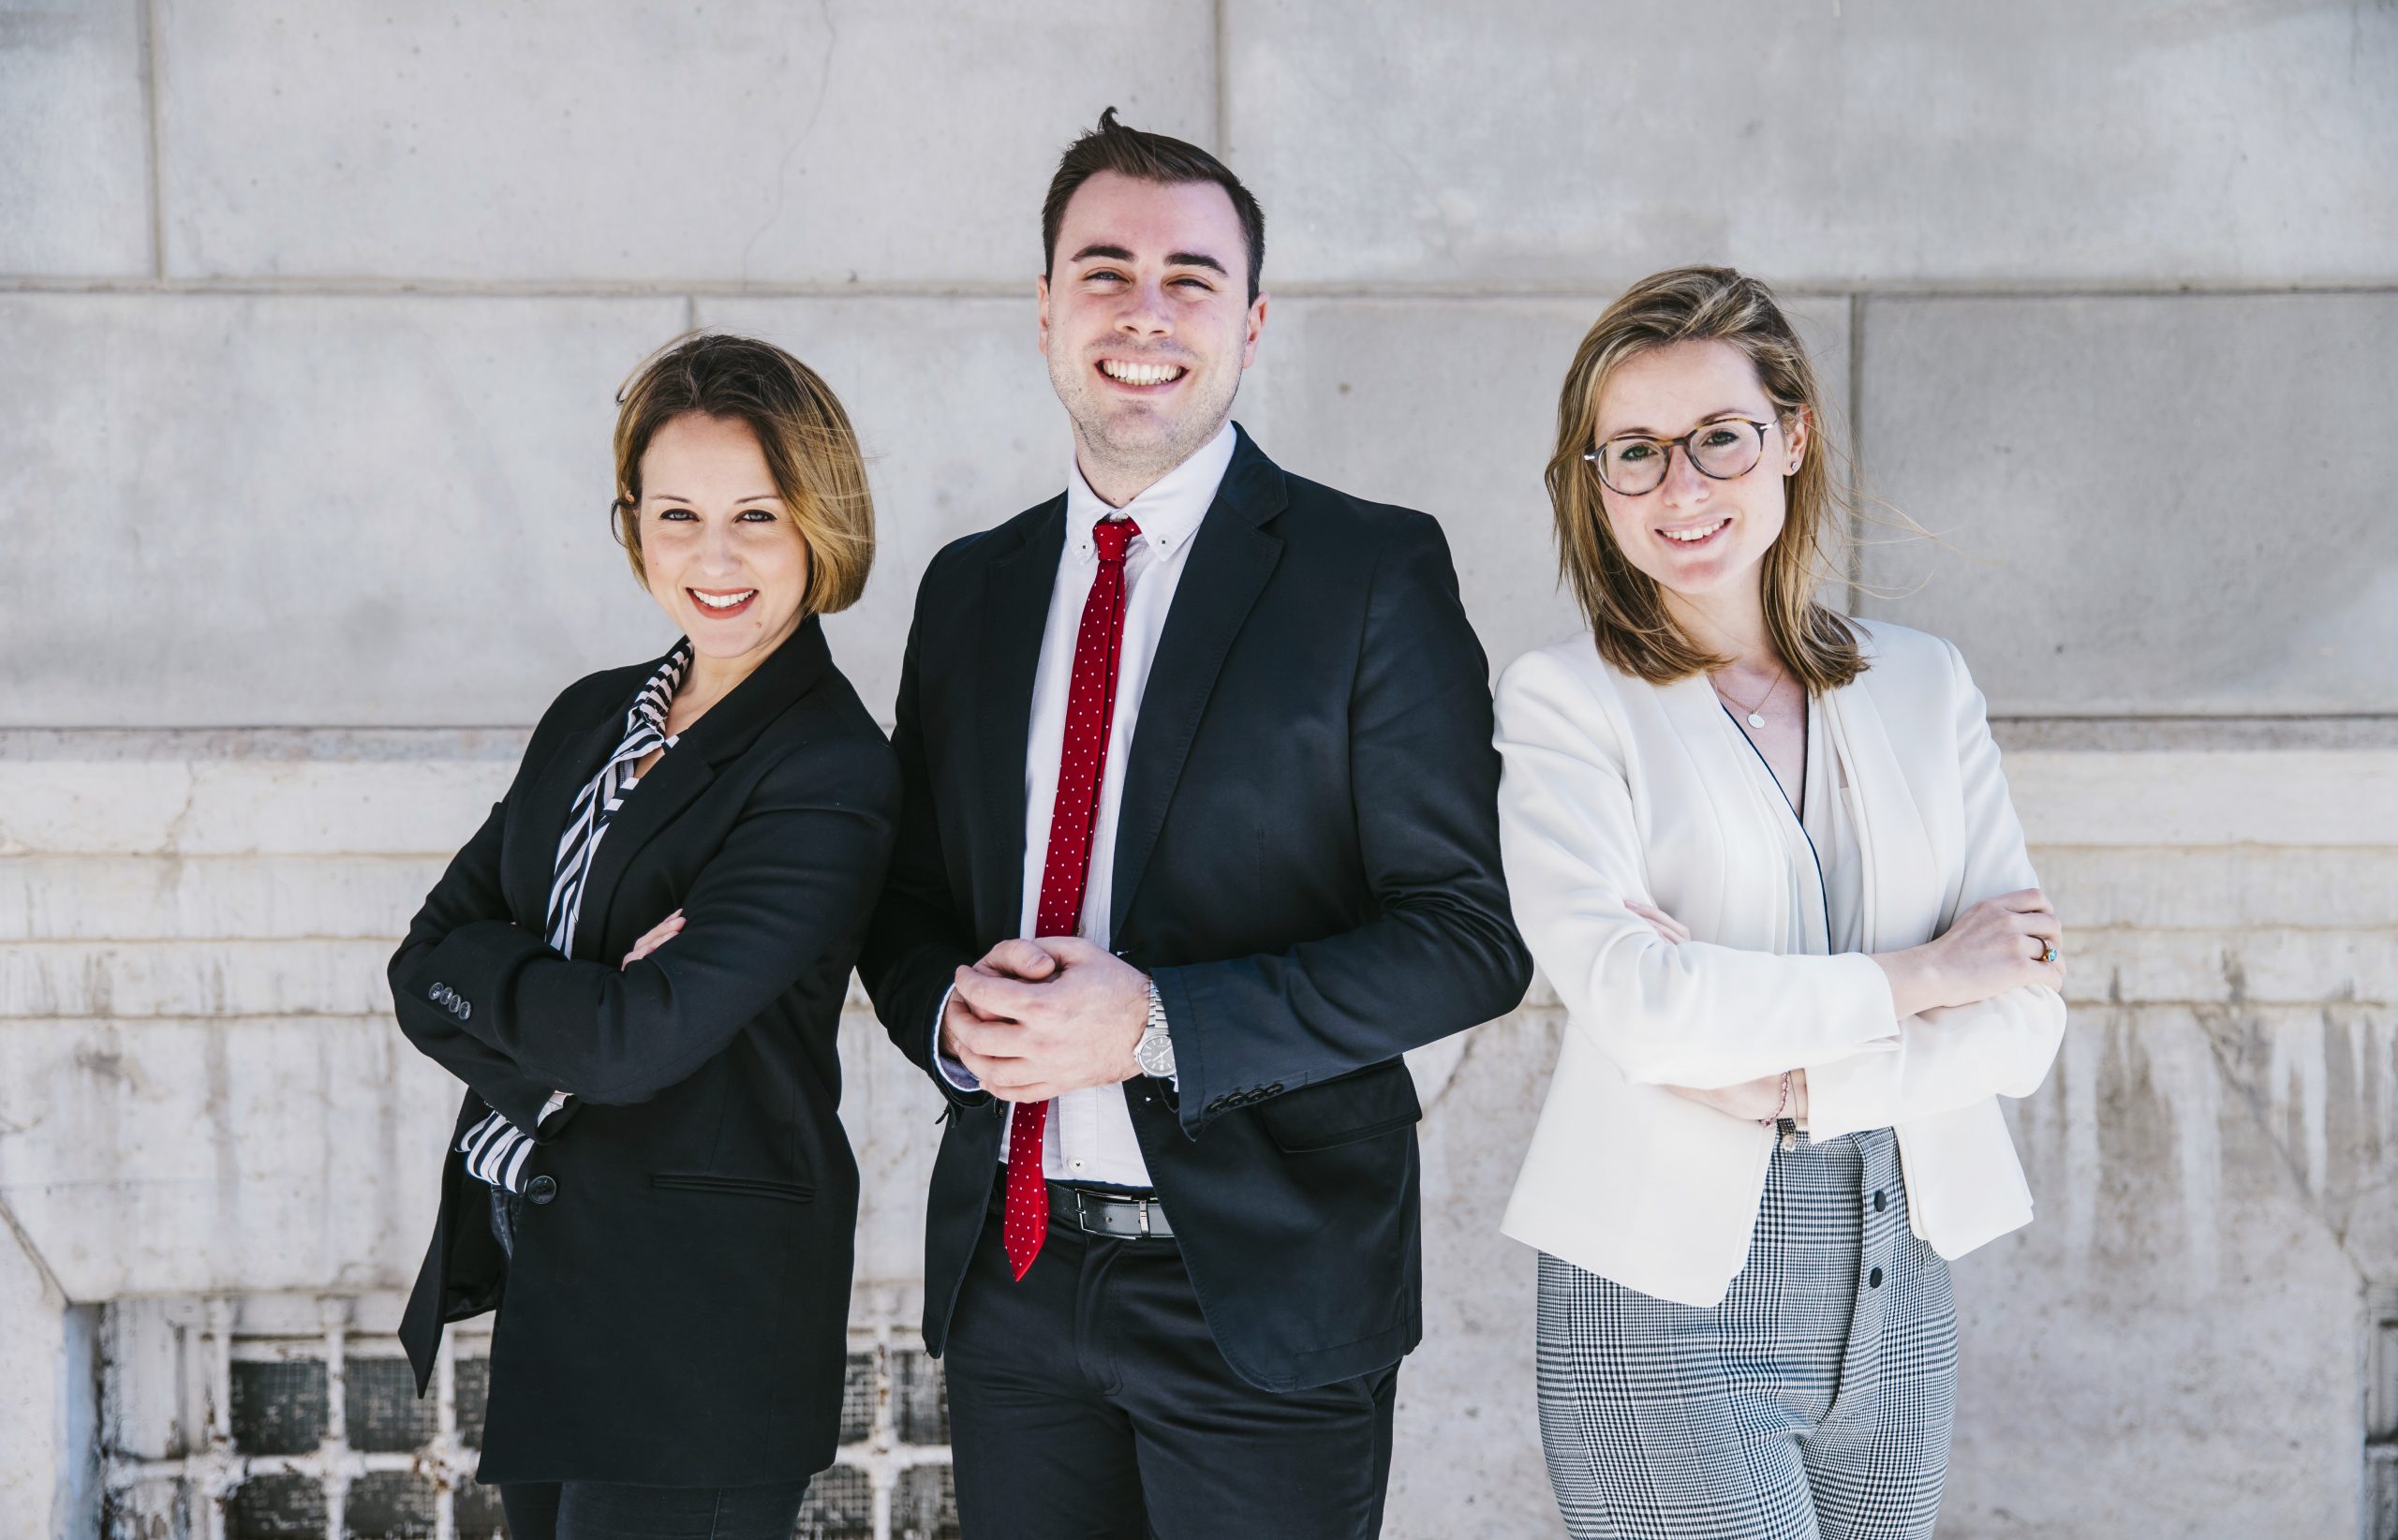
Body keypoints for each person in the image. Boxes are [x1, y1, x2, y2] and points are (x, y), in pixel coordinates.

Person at [857, 109, 1531, 1539]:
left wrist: (1154, 1023)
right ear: (1046, 312)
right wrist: (949, 1024)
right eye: (1104, 271)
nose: (1144, 312)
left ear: (1253, 319)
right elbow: (906, 904)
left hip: (1265, 1296)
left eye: (1191, 278)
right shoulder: (968, 589)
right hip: (1016, 1279)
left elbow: (1468, 942)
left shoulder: (1368, 570)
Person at [1493, 265, 2068, 1540]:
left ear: (1792, 437)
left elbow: (2026, 1022)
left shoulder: (1924, 685)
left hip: (1899, 1288)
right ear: (1595, 484)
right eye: (1633, 453)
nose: (1681, 489)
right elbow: (1648, 1014)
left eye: (1719, 439)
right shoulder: (1566, 705)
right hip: (1662, 1304)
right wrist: (1925, 975)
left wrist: (1805, 1086)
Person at [389, 333, 896, 1540]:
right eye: (676, 515)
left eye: (756, 517)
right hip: (555, 1276)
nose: (713, 559)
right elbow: (423, 964)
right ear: (632, 524)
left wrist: (532, 990)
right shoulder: (590, 716)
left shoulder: (829, 769)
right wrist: (580, 996)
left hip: (701, 1332)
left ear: (818, 523)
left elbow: (627, 1046)